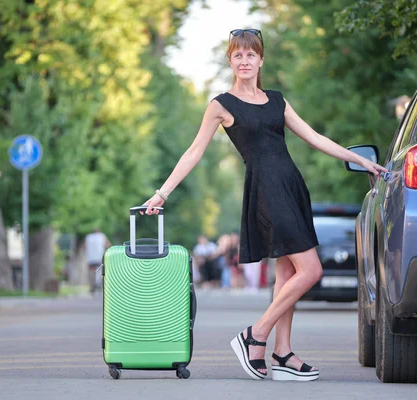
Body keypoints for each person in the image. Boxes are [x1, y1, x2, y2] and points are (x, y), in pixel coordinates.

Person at [142, 28, 387, 381]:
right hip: (266, 191)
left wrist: (360, 160)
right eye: (238, 55)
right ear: (230, 60)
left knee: (288, 273)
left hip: (292, 186)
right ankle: (254, 336)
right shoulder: (221, 105)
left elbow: (314, 137)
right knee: (312, 271)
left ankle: (283, 353)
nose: (244, 61)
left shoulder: (276, 100)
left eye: (251, 54)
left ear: (261, 59)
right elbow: (194, 152)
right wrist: (161, 192)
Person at [84, 228, 111, 293]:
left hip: (90, 258)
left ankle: (92, 286)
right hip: (99, 257)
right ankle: (99, 285)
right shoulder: (102, 236)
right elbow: (108, 245)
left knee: (91, 272)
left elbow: (84, 247)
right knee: (101, 271)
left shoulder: (88, 237)